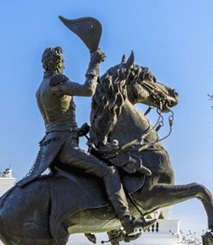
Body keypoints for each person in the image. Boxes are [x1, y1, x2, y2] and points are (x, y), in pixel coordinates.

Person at [18, 46, 153, 234]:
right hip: (64, 147)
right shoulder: (57, 81)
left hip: (52, 145)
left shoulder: (41, 88)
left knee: (93, 173)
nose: (64, 65)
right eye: (63, 61)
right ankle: (126, 221)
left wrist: (77, 131)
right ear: (58, 63)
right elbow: (89, 89)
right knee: (109, 171)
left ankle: (109, 227)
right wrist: (94, 63)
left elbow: (57, 122)